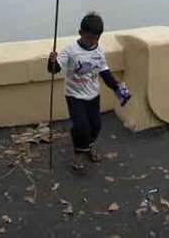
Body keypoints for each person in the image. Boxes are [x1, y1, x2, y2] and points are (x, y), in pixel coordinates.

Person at [48, 12, 131, 171]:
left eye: (96, 39)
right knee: (81, 127)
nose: (92, 42)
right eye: (89, 38)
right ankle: (78, 156)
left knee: (96, 125)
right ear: (80, 33)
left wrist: (116, 88)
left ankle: (89, 147)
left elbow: (104, 72)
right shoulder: (70, 51)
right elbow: (54, 69)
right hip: (74, 96)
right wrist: (51, 61)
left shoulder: (98, 50)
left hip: (93, 95)